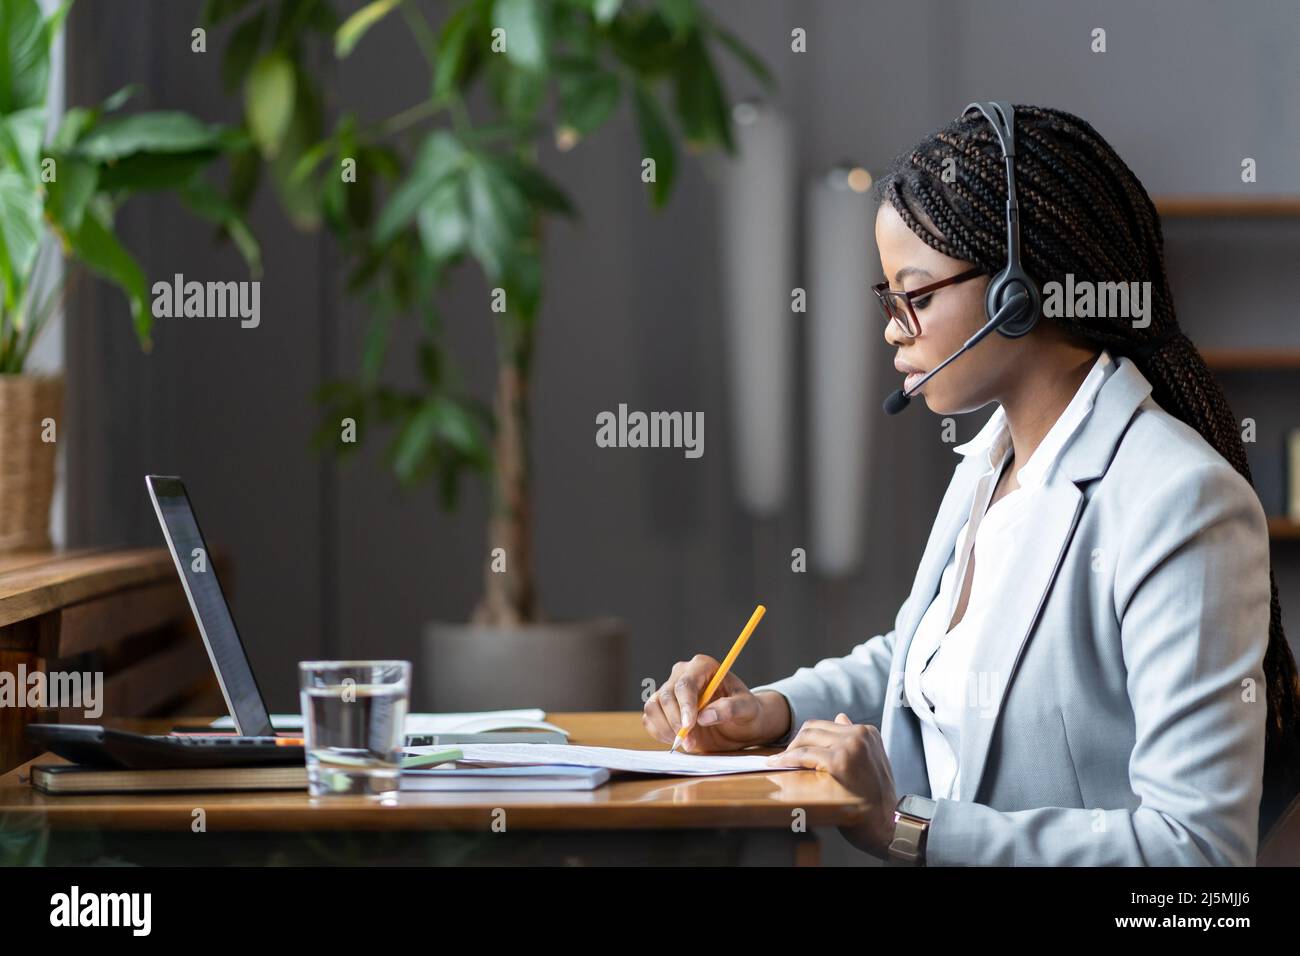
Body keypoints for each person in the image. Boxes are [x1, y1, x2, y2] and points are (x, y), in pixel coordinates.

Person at [643, 104, 1300, 866]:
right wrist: (772, 711)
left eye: (914, 297)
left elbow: (1198, 857)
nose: (892, 327)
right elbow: (927, 661)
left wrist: (907, 827)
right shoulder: (993, 463)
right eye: (887, 298)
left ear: (1016, 294)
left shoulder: (1180, 504)